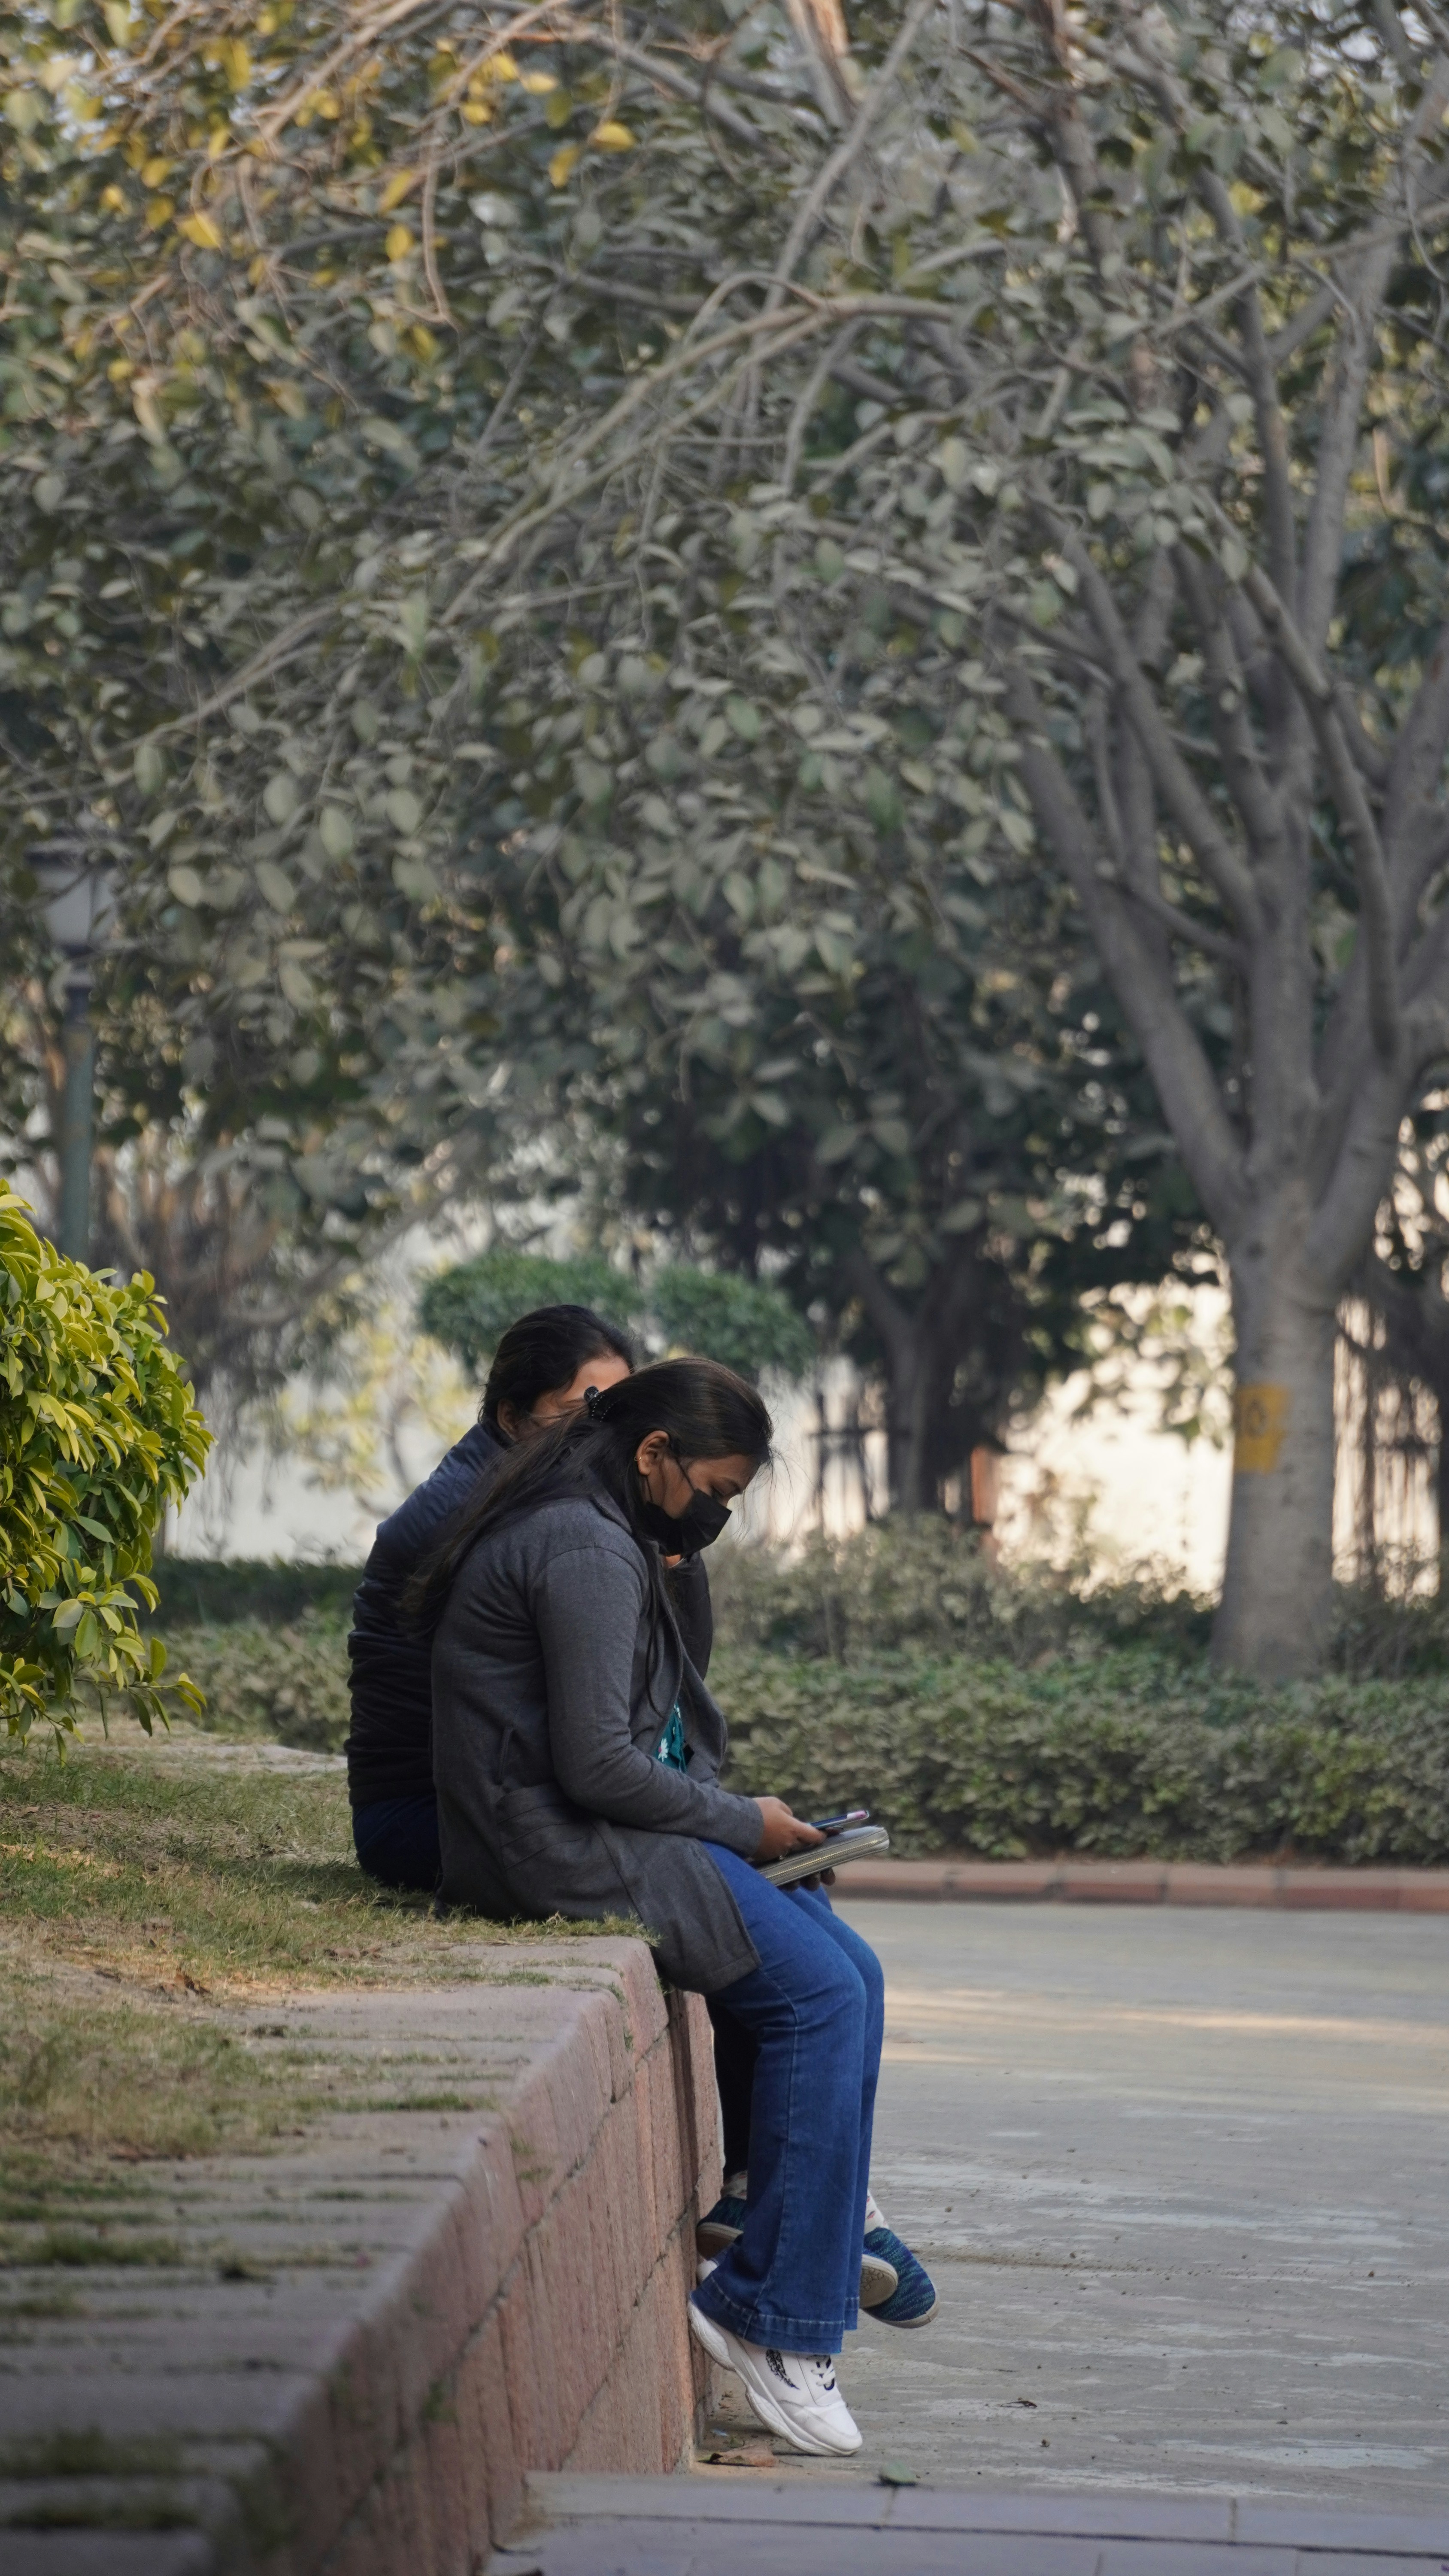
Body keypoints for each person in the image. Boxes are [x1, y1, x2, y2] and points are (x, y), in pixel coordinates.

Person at [418, 1358, 909, 2455]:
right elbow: (596, 1763)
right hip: (553, 1846)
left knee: (852, 1973)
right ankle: (769, 2315)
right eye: (718, 1490)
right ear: (655, 1457)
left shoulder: (605, 1526)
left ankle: (792, 2259)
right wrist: (742, 1824)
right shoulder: (586, 1544)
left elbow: (647, 1730)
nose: (722, 1511)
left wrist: (747, 1822)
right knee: (822, 1996)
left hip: (592, 1830)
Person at [345, 1303, 635, 1891]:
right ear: (512, 1417)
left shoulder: (543, 1496)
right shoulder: (476, 1515)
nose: (606, 1434)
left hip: (497, 1800)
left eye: (619, 1412)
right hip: (420, 1819)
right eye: (585, 1411)